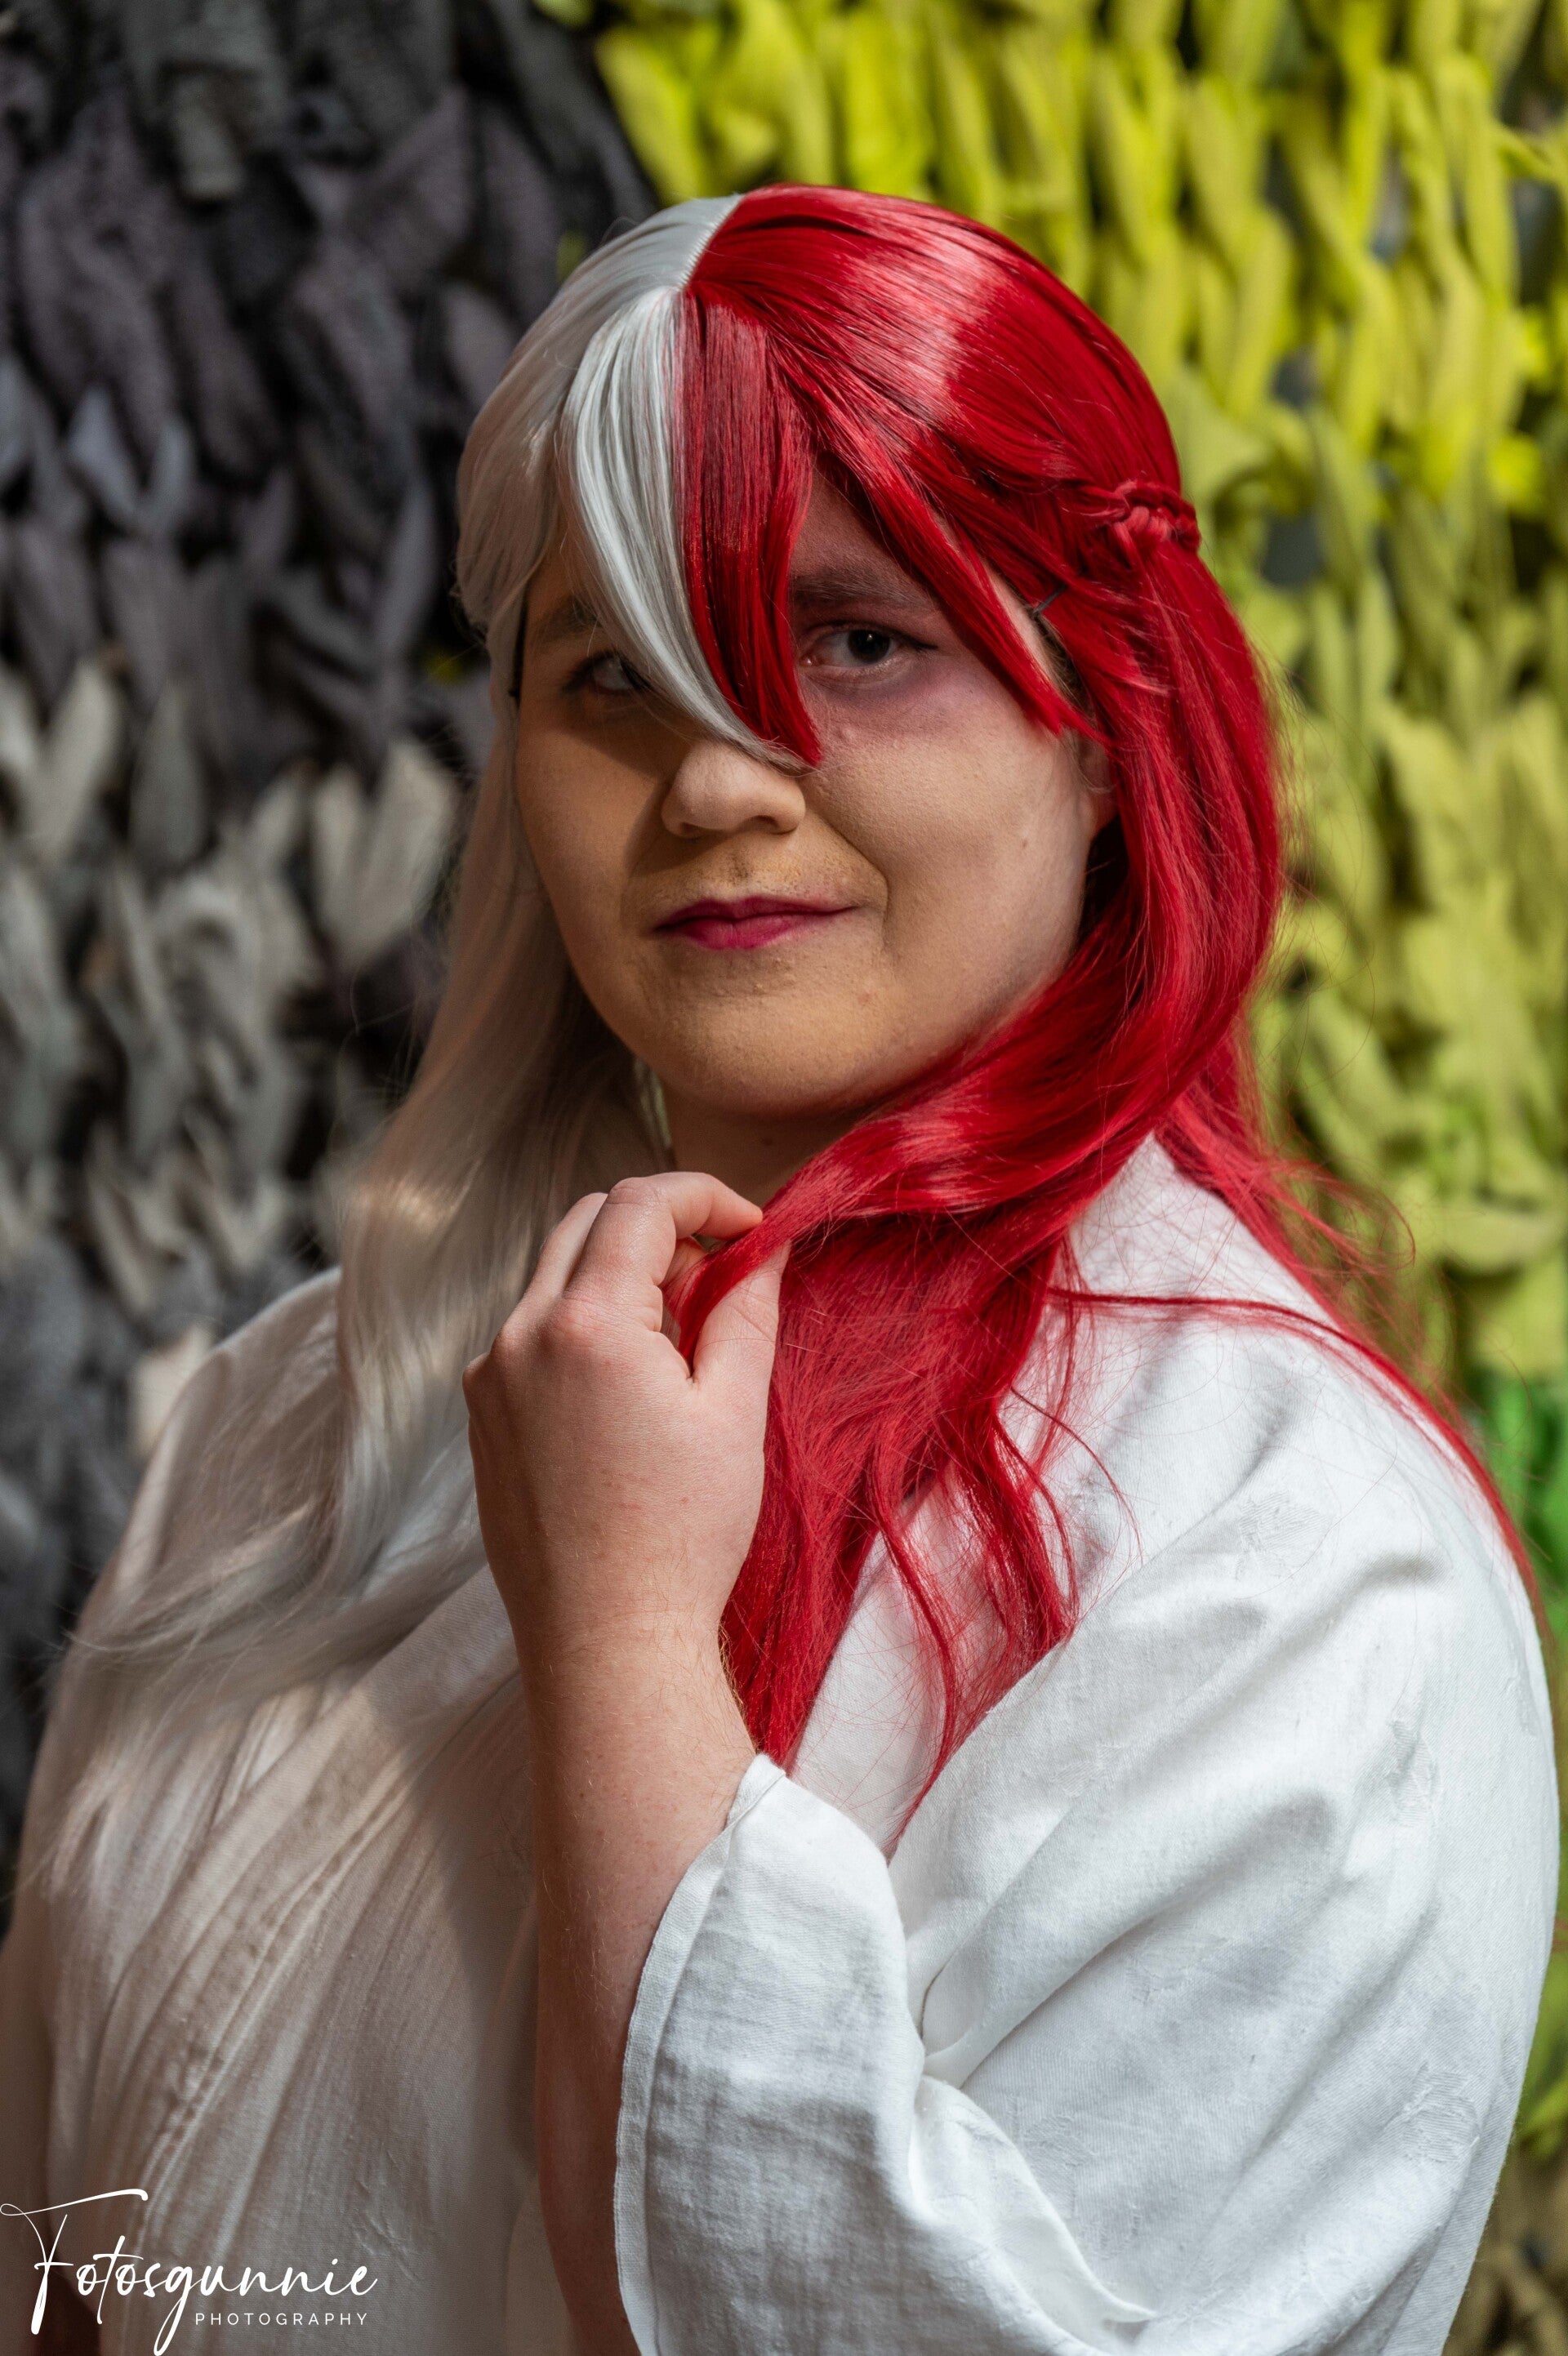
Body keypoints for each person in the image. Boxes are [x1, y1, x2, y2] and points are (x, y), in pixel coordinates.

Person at [0, 183, 1557, 2356]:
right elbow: (72, 2241)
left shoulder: (1288, 1558)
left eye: (857, 641)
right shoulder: (305, 1416)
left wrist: (627, 1633)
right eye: (612, 673)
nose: (719, 782)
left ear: (1104, 729)